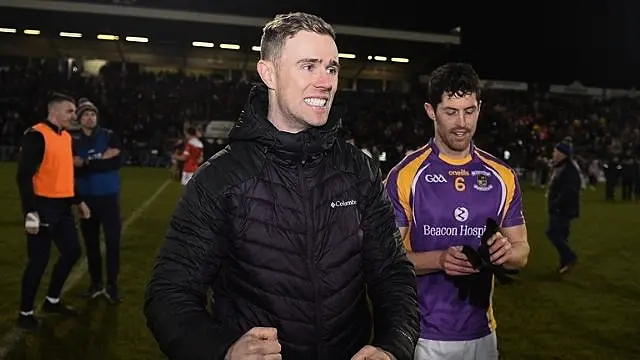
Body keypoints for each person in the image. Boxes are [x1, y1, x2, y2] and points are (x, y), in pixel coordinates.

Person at [144, 12, 419, 360]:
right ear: (268, 73)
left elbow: (393, 273)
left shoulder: (358, 169)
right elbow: (169, 293)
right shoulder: (221, 178)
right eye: (309, 66)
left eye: (332, 68)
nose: (326, 81)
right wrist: (222, 352)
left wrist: (393, 346)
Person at [385, 63, 530, 360]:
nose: (462, 122)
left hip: (483, 334)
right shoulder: (405, 176)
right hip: (423, 336)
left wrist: (505, 253)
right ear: (430, 110)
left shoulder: (502, 176)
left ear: (479, 108)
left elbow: (522, 252)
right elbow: (385, 261)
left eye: (469, 110)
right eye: (451, 112)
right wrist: (438, 259)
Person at [15, 93, 91, 331]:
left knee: (72, 252)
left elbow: (66, 173)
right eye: (69, 111)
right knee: (39, 260)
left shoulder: (67, 137)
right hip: (42, 206)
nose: (73, 116)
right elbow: (23, 176)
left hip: (63, 207)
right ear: (54, 111)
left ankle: (52, 300)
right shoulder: (36, 135)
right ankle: (25, 313)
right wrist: (30, 212)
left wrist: (78, 201)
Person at [72, 98, 123, 303]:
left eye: (92, 114)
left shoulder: (109, 135)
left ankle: (112, 285)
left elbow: (116, 163)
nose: (90, 117)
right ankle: (95, 283)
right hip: (86, 200)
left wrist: (86, 163)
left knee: (113, 244)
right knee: (91, 244)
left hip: (109, 199)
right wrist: (100, 159)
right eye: (85, 114)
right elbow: (72, 168)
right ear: (79, 119)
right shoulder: (72, 140)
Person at [546, 137, 580, 274]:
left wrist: (555, 203)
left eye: (556, 152)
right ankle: (564, 264)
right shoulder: (561, 167)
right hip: (560, 207)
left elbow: (569, 191)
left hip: (562, 209)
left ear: (563, 154)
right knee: (562, 235)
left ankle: (570, 257)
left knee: (553, 233)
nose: (554, 154)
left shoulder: (569, 170)